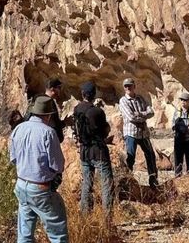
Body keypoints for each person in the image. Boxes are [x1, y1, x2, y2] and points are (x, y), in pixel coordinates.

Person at [9, 95, 81, 243]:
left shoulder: (18, 129)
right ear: (49, 115)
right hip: (41, 188)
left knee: (25, 234)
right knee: (58, 234)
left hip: (22, 186)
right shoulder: (48, 133)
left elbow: (13, 158)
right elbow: (57, 165)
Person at [73, 81, 114, 213]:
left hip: (84, 151)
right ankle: (107, 218)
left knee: (87, 183)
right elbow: (104, 132)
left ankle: (85, 215)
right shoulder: (98, 112)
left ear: (82, 94)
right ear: (94, 95)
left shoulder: (77, 109)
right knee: (106, 184)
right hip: (98, 150)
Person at [118, 77, 158, 188]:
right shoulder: (123, 101)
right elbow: (131, 117)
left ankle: (153, 180)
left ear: (134, 86)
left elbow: (151, 112)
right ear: (124, 88)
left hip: (143, 133)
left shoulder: (140, 98)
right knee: (130, 157)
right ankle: (127, 182)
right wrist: (143, 116)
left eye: (130, 85)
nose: (128, 88)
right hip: (131, 133)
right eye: (126, 86)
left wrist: (139, 114)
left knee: (150, 155)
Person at [25, 78, 67, 143]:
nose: (60, 91)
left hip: (33, 135)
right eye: (59, 88)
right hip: (46, 138)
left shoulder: (37, 99)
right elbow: (54, 122)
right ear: (52, 89)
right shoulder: (49, 102)